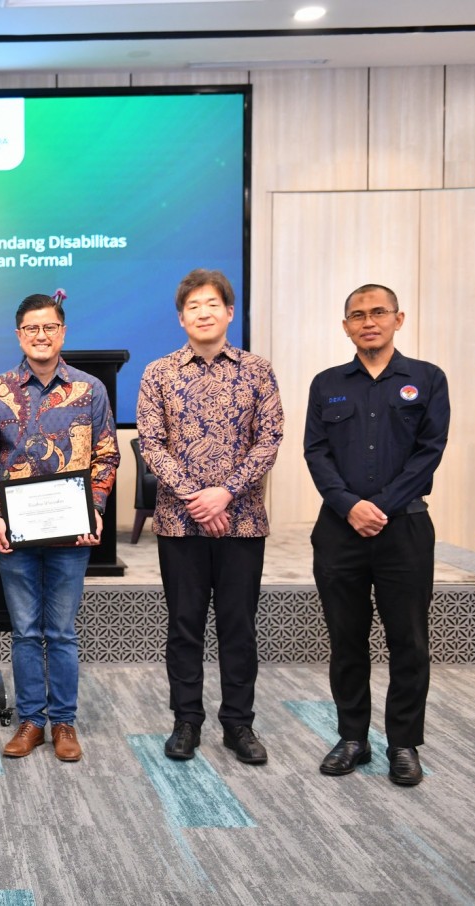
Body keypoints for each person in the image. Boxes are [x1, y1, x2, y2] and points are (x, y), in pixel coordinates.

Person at [136, 269, 284, 765]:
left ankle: (239, 725)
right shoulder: (158, 373)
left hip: (242, 522)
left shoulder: (257, 370)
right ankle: (186, 721)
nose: (203, 312)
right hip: (180, 524)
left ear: (229, 312)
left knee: (239, 627)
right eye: (193, 306)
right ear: (181, 317)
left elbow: (269, 441)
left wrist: (225, 493)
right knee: (184, 626)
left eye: (211, 304)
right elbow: (152, 445)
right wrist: (198, 498)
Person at [305, 283, 449, 786]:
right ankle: (352, 738)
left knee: (408, 640)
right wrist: (349, 506)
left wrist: (378, 508)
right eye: (358, 315)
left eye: (378, 313)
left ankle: (404, 743)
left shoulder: (427, 379)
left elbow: (430, 450)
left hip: (404, 528)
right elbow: (315, 453)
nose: (369, 321)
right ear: (345, 326)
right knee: (346, 639)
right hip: (339, 532)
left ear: (398, 319)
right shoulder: (327, 384)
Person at [0, 291, 119, 762]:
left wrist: (95, 506)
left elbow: (107, 454)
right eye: (31, 328)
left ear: (62, 332)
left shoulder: (90, 389)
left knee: (62, 632)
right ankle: (31, 721)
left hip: (70, 534)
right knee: (26, 631)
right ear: (19, 335)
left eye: (49, 327)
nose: (40, 335)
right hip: (15, 533)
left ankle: (64, 723)